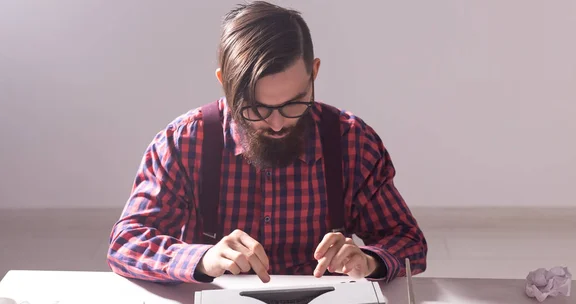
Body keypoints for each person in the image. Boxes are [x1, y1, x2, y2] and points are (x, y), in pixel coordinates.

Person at [107, 1, 427, 284]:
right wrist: (201, 259)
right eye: (256, 108)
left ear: (313, 73)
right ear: (224, 83)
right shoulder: (184, 143)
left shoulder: (351, 143)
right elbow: (126, 243)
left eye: (294, 103)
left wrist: (368, 260)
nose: (276, 123)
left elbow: (408, 242)